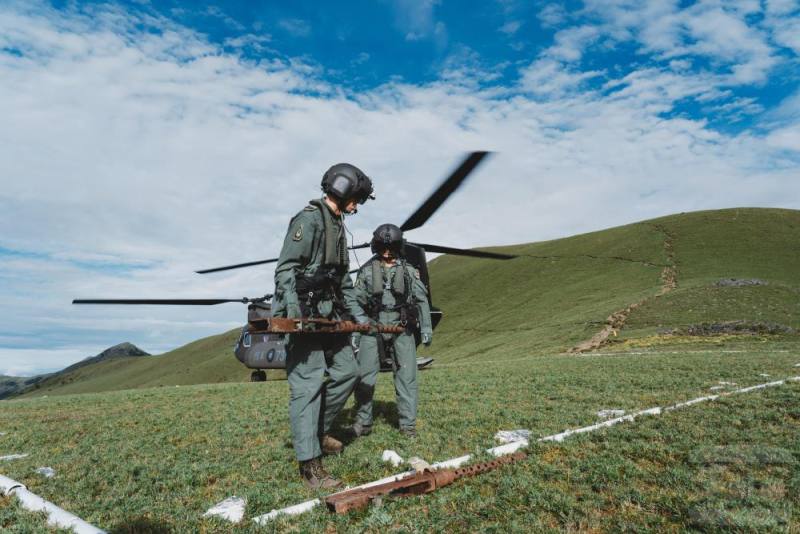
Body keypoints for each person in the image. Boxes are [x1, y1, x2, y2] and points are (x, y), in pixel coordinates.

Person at [273, 163, 374, 489]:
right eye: (356, 199)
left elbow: (343, 281)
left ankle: (316, 432)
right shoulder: (309, 220)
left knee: (348, 371)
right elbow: (285, 269)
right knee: (309, 384)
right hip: (303, 315)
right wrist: (294, 314)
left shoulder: (338, 226)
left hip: (329, 316)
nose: (356, 206)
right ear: (343, 190)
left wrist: (360, 317)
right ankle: (310, 466)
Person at [351, 224, 432, 439]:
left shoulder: (409, 271)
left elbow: (422, 300)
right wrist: (356, 333)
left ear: (398, 248)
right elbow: (356, 303)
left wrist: (426, 328)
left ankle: (408, 426)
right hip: (372, 327)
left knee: (407, 377)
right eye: (383, 248)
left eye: (391, 248)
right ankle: (363, 422)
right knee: (364, 377)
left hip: (401, 328)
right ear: (376, 247)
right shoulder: (366, 272)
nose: (387, 253)